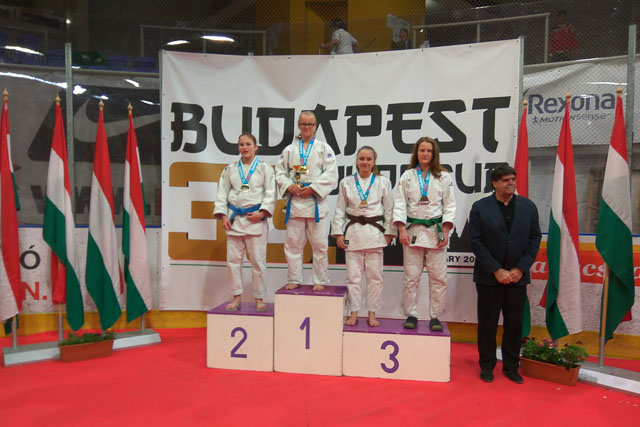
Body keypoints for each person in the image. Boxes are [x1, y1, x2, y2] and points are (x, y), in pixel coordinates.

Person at [469, 163, 541, 384]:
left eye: (513, 179)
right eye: (506, 180)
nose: (511, 183)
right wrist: (496, 269)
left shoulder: (528, 207)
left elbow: (534, 239)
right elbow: (476, 241)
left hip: (517, 277)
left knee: (514, 324)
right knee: (488, 324)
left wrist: (520, 268)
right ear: (495, 183)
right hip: (489, 277)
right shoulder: (480, 207)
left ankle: (511, 367)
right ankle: (487, 366)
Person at [393, 137, 456, 331]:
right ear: (417, 153)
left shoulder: (443, 176)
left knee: (438, 278)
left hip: (435, 231)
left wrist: (446, 230)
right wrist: (401, 229)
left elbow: (450, 205)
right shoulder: (407, 176)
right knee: (411, 277)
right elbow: (400, 203)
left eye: (429, 150)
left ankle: (435, 316)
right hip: (412, 231)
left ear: (434, 153)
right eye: (422, 150)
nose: (425, 154)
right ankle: (411, 314)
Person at [332, 146, 395, 327]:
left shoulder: (383, 182)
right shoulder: (346, 182)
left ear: (374, 162)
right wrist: (338, 233)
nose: (365, 162)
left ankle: (372, 313)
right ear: (357, 161)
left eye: (368, 159)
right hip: (353, 234)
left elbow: (389, 210)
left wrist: (389, 232)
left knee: (375, 278)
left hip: (375, 234)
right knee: (353, 278)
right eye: (362, 159)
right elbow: (340, 210)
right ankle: (353, 312)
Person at [275, 111, 338, 291]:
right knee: (293, 244)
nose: (307, 127)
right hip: (295, 202)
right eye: (303, 124)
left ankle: (320, 280)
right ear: (299, 126)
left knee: (320, 245)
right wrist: (289, 185)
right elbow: (280, 172)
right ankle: (294, 278)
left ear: (315, 126)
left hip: (315, 202)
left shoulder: (324, 149)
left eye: (310, 124)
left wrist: (314, 188)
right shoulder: (289, 150)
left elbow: (331, 174)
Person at [213, 133, 276, 311]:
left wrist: (262, 213)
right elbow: (222, 193)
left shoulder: (264, 168)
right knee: (233, 262)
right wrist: (223, 216)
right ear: (238, 147)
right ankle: (236, 297)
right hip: (234, 220)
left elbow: (271, 193)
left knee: (258, 262)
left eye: (248, 144)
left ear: (256, 147)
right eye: (241, 144)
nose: (245, 147)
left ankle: (259, 298)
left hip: (256, 220)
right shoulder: (230, 169)